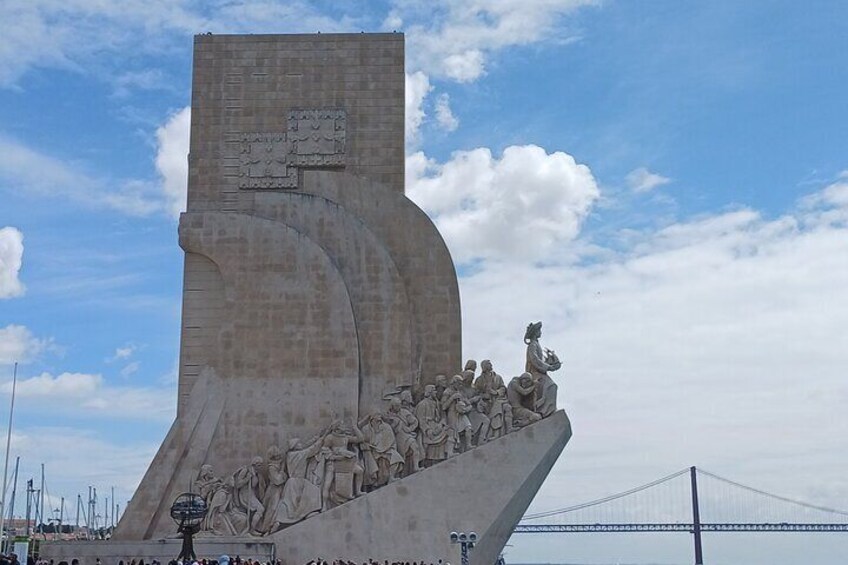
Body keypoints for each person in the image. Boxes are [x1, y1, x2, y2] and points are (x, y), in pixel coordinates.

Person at [524, 321, 561, 418]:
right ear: (535, 332)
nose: (540, 332)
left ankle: (548, 410)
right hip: (534, 374)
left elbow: (540, 360)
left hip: (540, 372)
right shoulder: (532, 345)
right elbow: (534, 359)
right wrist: (548, 367)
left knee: (552, 386)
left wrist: (550, 362)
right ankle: (543, 411)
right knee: (551, 386)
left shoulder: (536, 344)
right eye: (539, 330)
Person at [414, 384, 452, 465]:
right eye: (434, 390)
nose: (436, 392)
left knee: (450, 431)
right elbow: (421, 420)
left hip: (437, 425)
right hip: (428, 428)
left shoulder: (437, 403)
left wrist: (442, 423)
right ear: (430, 392)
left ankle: (449, 454)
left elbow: (443, 416)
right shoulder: (422, 404)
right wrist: (428, 430)